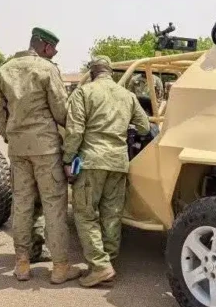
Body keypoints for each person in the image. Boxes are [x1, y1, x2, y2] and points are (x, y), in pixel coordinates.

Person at [0, 26, 77, 284]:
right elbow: (61, 110)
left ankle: (22, 264)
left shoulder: (3, 70)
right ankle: (61, 267)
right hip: (46, 148)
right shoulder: (46, 69)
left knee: (22, 204)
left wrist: (12, 136)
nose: (54, 53)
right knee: (54, 205)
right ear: (42, 45)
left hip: (18, 149)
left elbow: (0, 113)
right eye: (52, 48)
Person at [62, 55, 152, 287]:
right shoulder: (128, 95)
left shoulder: (83, 93)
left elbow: (74, 130)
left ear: (92, 72)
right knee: (112, 216)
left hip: (91, 162)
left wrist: (67, 159)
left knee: (85, 214)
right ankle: (109, 264)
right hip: (118, 162)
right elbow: (144, 126)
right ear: (110, 72)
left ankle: (100, 267)